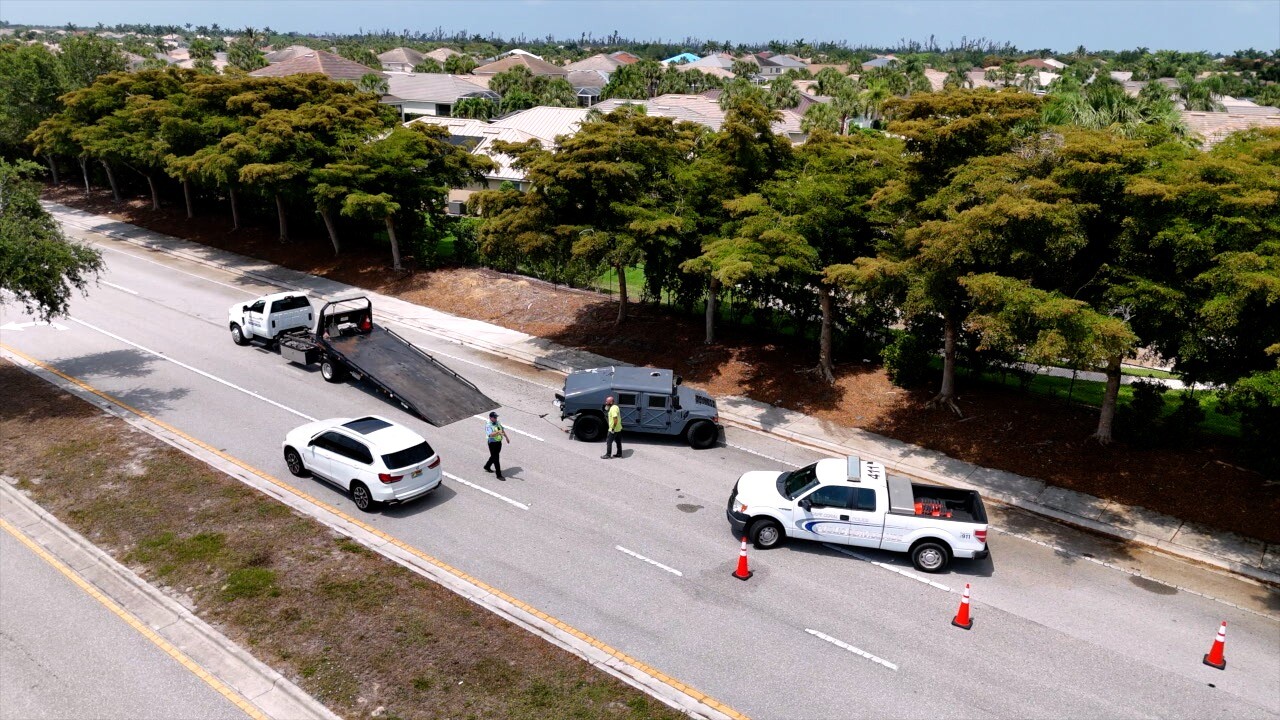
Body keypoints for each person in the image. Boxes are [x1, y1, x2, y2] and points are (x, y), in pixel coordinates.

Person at [482, 411, 510, 479]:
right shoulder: (488, 425)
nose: (496, 418)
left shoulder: (497, 422)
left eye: (496, 417)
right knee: (496, 458)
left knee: (494, 456)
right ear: (490, 418)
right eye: (494, 417)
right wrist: (498, 432)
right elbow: (490, 435)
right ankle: (499, 475)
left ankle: (487, 466)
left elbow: (502, 430)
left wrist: (506, 437)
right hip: (492, 443)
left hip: (498, 442)